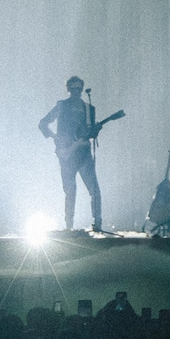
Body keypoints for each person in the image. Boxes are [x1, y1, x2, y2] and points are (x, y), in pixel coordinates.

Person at [38, 76, 104, 232]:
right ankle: (69, 226)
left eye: (79, 89)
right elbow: (43, 123)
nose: (76, 92)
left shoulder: (89, 109)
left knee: (94, 189)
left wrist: (95, 130)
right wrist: (55, 137)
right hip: (67, 155)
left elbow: (91, 134)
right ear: (68, 89)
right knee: (70, 190)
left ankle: (98, 223)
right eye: (73, 89)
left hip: (84, 154)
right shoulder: (61, 106)